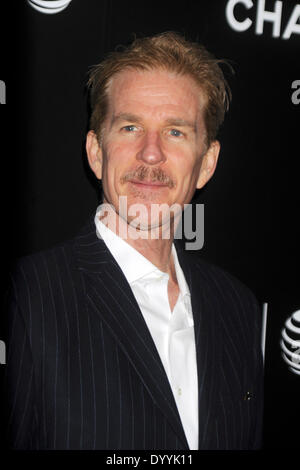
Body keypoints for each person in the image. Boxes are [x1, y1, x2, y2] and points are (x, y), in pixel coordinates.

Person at [2, 32, 263, 450]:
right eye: (130, 127)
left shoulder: (237, 308)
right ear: (96, 152)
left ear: (207, 163)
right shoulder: (26, 297)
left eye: (175, 132)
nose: (151, 154)